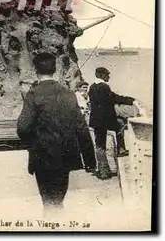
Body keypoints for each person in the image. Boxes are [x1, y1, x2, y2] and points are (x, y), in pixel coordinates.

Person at [17, 52, 96, 213]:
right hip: (66, 154)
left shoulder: (33, 94)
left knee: (48, 201)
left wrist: (31, 144)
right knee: (59, 199)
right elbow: (81, 128)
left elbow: (23, 128)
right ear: (54, 69)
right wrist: (90, 160)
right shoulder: (68, 93)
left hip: (42, 155)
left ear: (36, 70)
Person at [88, 67, 137, 180]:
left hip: (96, 121)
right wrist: (131, 100)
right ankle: (121, 150)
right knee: (119, 126)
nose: (109, 77)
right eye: (107, 75)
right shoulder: (104, 86)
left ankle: (103, 171)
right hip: (106, 120)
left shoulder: (91, 87)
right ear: (102, 75)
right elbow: (114, 98)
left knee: (100, 145)